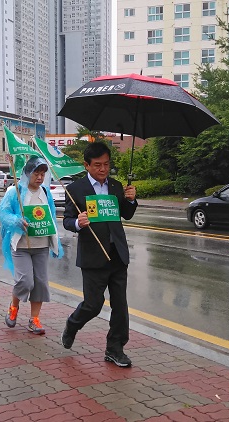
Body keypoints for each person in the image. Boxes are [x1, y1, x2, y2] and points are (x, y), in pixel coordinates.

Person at [61, 141, 138, 367]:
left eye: (106, 164)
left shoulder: (115, 186)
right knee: (93, 305)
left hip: (117, 254)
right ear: (87, 165)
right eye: (97, 165)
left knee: (120, 306)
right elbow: (67, 220)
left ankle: (115, 348)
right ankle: (73, 324)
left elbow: (126, 214)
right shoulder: (76, 189)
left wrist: (131, 200)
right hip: (93, 256)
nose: (103, 169)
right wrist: (78, 222)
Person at [0, 157, 63, 335]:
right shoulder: (15, 192)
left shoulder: (45, 192)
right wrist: (16, 220)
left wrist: (56, 241)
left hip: (41, 245)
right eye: (36, 173)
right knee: (25, 281)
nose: (40, 177)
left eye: (42, 174)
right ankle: (14, 306)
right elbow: (3, 213)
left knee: (40, 283)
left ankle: (34, 319)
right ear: (27, 174)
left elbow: (50, 216)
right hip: (20, 245)